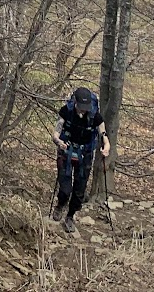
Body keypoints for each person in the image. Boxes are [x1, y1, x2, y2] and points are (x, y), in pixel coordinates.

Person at [52, 86, 110, 234]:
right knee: (65, 189)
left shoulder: (95, 116)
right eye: (82, 107)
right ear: (75, 103)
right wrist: (59, 142)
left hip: (85, 154)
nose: (84, 110)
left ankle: (70, 216)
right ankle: (60, 204)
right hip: (67, 150)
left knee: (79, 190)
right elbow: (55, 133)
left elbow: (104, 135)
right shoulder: (66, 111)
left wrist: (106, 146)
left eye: (86, 107)